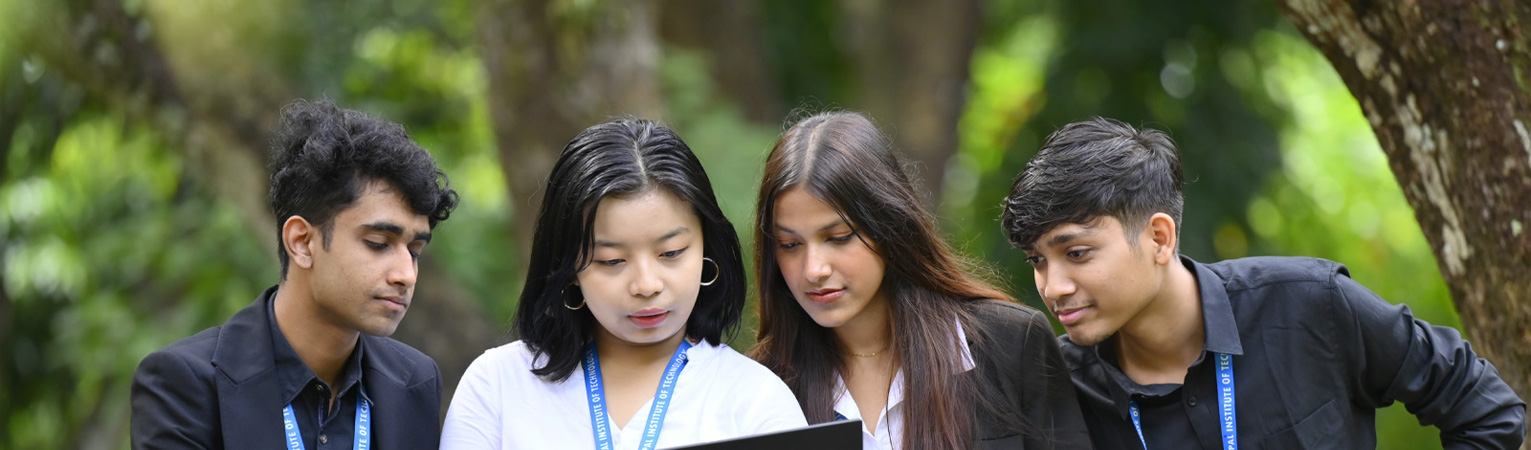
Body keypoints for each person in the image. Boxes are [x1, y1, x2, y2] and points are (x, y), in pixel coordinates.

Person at [1000, 116, 1527, 449]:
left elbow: (1483, 407)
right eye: (1037, 262)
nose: (1053, 287)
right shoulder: (1059, 384)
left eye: (1076, 253)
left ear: (1159, 238)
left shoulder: (1307, 304)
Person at [440, 118, 807, 450]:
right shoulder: (498, 387)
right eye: (611, 261)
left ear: (707, 251)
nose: (646, 285)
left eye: (672, 252)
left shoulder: (757, 400)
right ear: (569, 269)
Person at [749, 111, 1093, 450]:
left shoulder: (1009, 344)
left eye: (839, 238)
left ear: (889, 226)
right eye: (789, 245)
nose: (813, 269)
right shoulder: (756, 385)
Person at [130, 98, 460, 449]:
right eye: (379, 243)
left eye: (415, 252)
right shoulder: (185, 383)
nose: (406, 274)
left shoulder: (414, 381)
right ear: (302, 242)